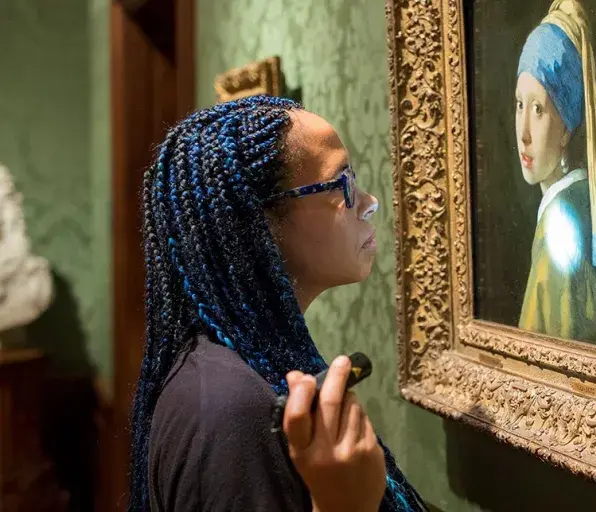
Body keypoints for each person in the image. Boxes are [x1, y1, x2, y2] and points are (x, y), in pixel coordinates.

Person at [130, 95, 427, 511]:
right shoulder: (228, 410)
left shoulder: (245, 364)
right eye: (342, 182)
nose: (368, 200)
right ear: (260, 222)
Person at [515, 0, 596, 348]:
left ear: (566, 128)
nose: (524, 132)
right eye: (519, 105)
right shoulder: (583, 198)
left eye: (539, 109)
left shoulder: (561, 218)